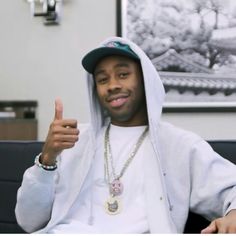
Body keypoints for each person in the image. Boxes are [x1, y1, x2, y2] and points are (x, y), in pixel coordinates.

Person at [15, 37, 236, 234]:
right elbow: (28, 221)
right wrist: (47, 159)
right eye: (102, 80)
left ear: (144, 80)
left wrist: (233, 215)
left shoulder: (180, 145)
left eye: (123, 74)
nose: (112, 86)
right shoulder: (74, 140)